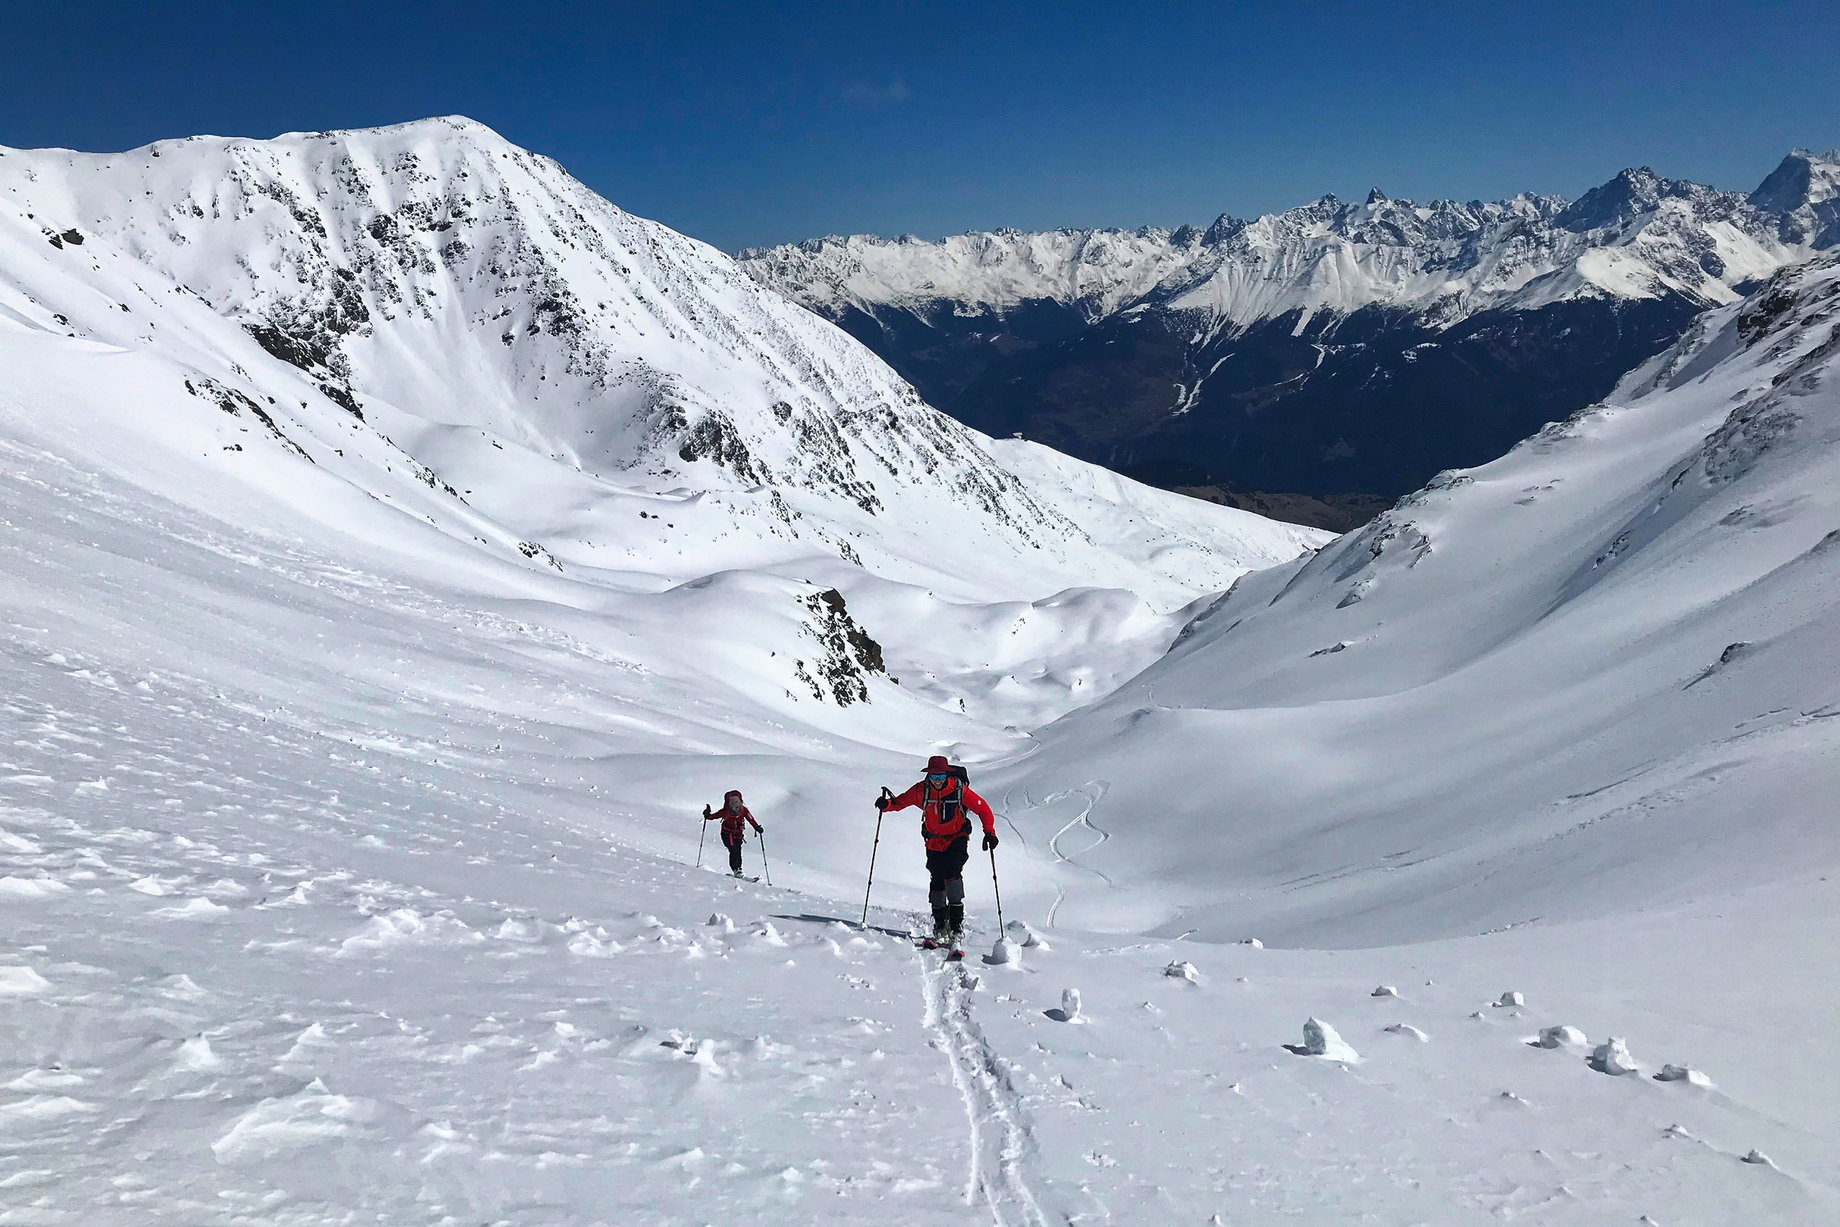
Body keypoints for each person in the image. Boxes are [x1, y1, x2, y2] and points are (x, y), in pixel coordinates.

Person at [876, 755, 998, 945]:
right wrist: (886, 806)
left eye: (941, 777)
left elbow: (983, 809)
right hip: (933, 842)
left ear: (947, 774)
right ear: (929, 776)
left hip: (957, 838)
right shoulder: (921, 791)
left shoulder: (959, 790)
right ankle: (940, 924)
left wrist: (989, 832)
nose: (938, 781)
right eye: (934, 777)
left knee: (953, 875)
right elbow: (899, 803)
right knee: (937, 881)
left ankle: (956, 925)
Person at [703, 790, 763, 878]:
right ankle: (736, 869)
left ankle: (738, 869)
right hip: (727, 834)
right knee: (734, 850)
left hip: (738, 835)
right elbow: (713, 816)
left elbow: (751, 819)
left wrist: (757, 827)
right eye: (732, 802)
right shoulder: (725, 811)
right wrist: (707, 814)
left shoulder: (743, 811)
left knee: (737, 850)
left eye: (736, 801)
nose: (735, 805)